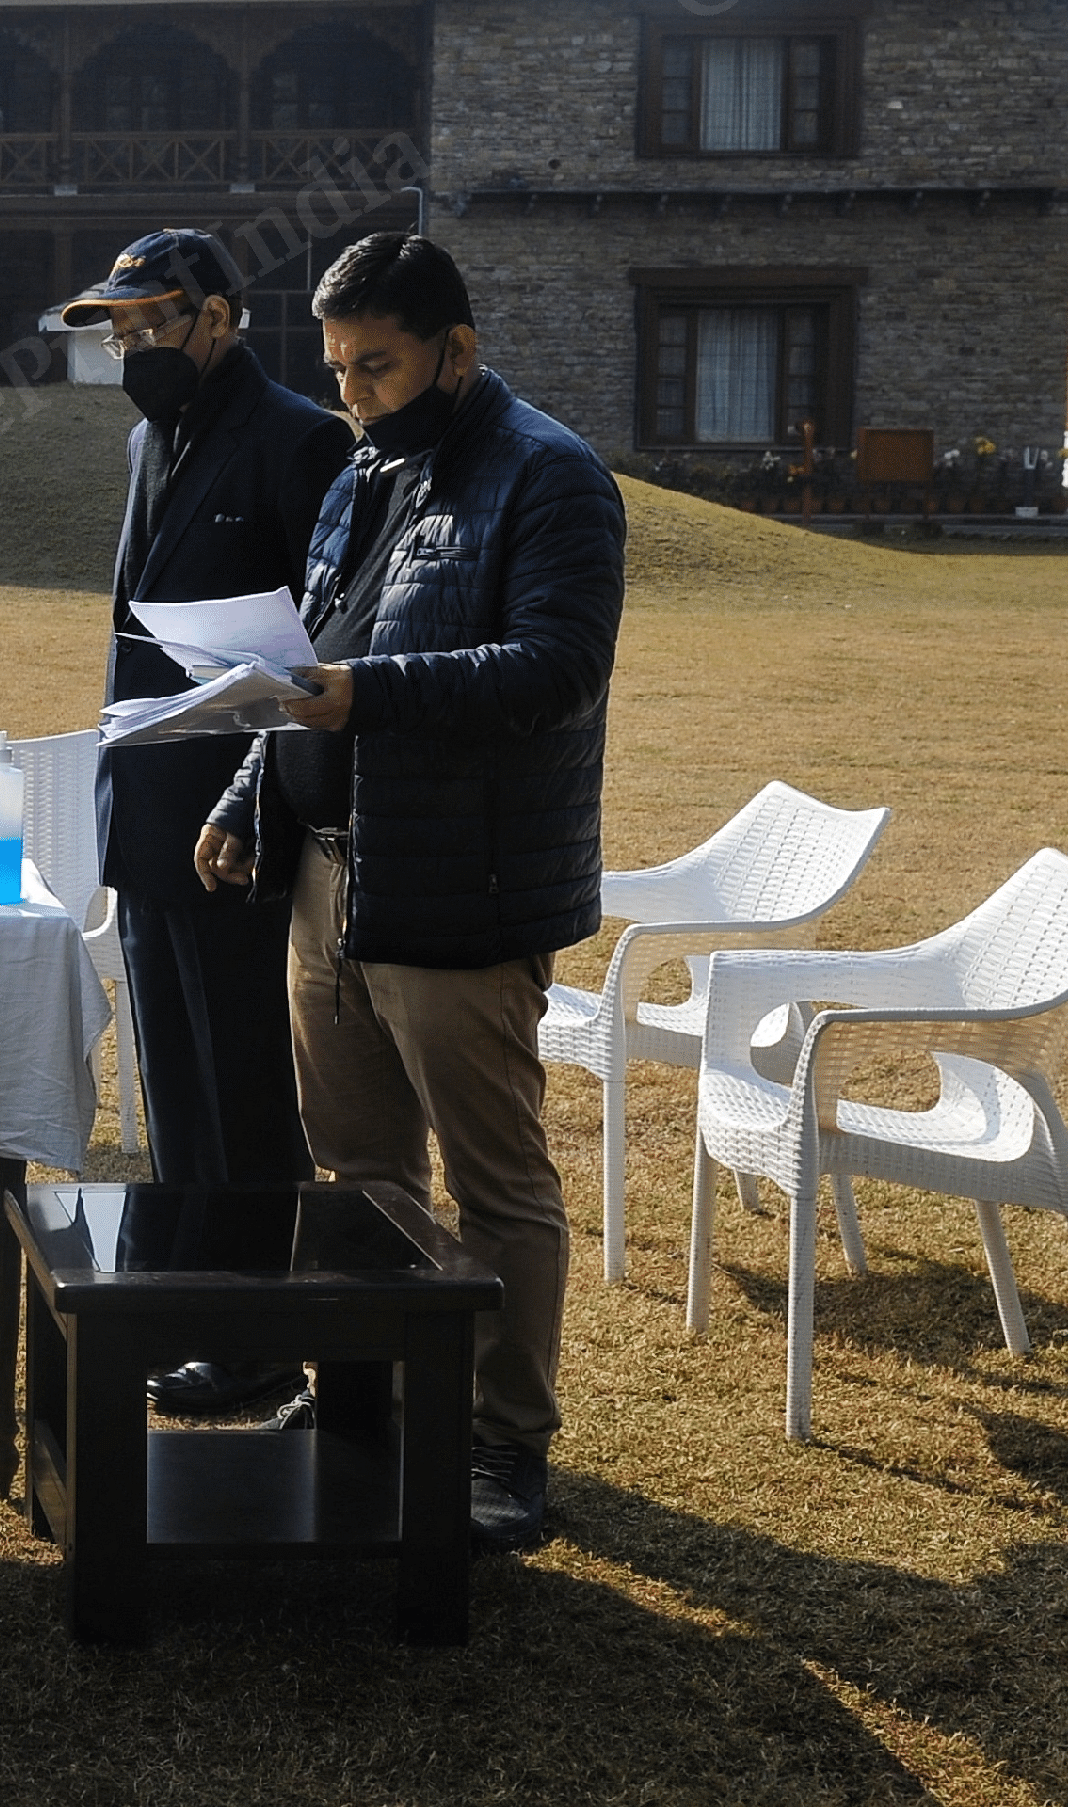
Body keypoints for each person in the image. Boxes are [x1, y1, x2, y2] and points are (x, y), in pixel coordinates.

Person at [194, 229, 625, 1554]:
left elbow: (551, 667)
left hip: (461, 890)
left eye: (375, 366)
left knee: (495, 1187)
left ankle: (505, 1442)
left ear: (458, 350)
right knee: (359, 1168)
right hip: (328, 883)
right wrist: (245, 796)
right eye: (335, 368)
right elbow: (306, 658)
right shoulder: (358, 473)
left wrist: (367, 696)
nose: (353, 393)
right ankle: (357, 1398)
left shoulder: (552, 479)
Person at [57, 230, 353, 1422]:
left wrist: (261, 793)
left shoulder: (301, 440)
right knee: (172, 1086)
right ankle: (181, 1307)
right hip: (147, 803)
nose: (132, 346)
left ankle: (256, 1336)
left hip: (240, 816)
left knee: (243, 1086)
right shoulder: (147, 439)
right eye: (118, 328)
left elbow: (325, 639)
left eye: (153, 323)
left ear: (220, 317)